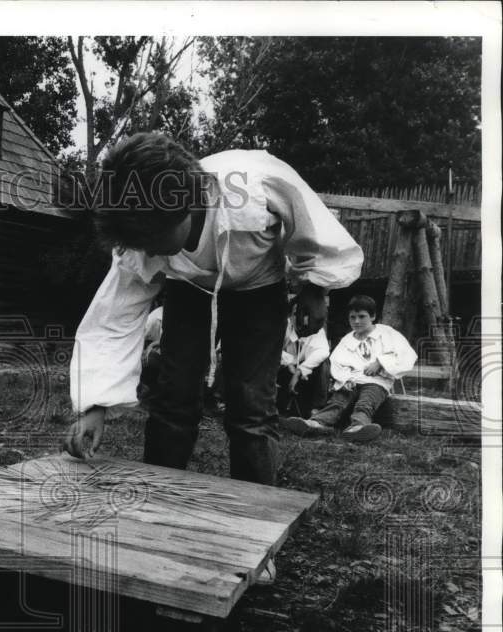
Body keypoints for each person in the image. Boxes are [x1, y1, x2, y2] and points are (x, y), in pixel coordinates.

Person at [64, 133, 363, 487]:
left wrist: (316, 286)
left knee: (251, 408)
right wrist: (94, 405)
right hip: (188, 289)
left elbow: (312, 228)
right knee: (174, 400)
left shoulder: (257, 184)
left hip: (260, 287)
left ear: (187, 207)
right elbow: (113, 319)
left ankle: (257, 512)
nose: (147, 251)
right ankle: (157, 498)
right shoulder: (140, 232)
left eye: (154, 239)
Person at [280, 294, 416, 442]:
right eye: (352, 317)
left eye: (362, 316)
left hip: (376, 381)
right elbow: (337, 362)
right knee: (338, 401)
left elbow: (407, 355)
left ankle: (358, 427)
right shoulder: (347, 340)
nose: (357, 321)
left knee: (366, 402)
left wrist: (381, 362)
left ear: (373, 316)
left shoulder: (387, 333)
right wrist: (345, 379)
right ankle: (316, 423)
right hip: (351, 380)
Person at [276, 296, 331, 418]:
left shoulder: (316, 330)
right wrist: (288, 362)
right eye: (296, 313)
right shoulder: (283, 326)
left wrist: (299, 371)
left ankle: (316, 411)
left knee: (324, 363)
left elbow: (322, 352)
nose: (301, 318)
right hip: (284, 371)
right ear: (290, 315)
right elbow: (272, 349)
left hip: (304, 376)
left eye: (306, 314)